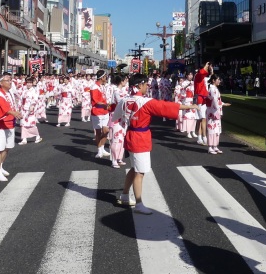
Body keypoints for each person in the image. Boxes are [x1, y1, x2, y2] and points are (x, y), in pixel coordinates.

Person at [117, 73, 199, 214]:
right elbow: (166, 106)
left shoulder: (124, 100)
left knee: (134, 168)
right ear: (140, 85)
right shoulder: (146, 102)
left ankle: (124, 195)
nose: (147, 87)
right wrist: (190, 106)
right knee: (140, 172)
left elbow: (115, 116)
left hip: (130, 135)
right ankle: (139, 204)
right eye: (145, 84)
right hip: (140, 138)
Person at [0, 72, 22, 181]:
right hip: (1, 125)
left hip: (10, 123)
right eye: (7, 80)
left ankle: (0, 167)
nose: (10, 82)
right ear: (1, 83)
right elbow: (4, 108)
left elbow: (13, 105)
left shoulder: (10, 93)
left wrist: (16, 112)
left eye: (10, 80)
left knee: (8, 147)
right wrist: (13, 113)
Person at [206, 74, 231, 154]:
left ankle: (215, 146)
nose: (219, 81)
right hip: (212, 112)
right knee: (211, 129)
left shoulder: (215, 88)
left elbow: (217, 100)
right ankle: (210, 147)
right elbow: (214, 101)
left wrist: (223, 104)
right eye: (218, 80)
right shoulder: (212, 89)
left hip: (215, 111)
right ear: (213, 80)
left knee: (217, 129)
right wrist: (220, 106)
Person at [90, 70, 111, 158]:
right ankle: (99, 150)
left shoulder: (103, 86)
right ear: (102, 77)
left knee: (106, 131)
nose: (106, 78)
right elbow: (96, 101)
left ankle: (102, 148)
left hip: (105, 111)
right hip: (97, 112)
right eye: (105, 76)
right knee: (98, 132)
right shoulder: (94, 87)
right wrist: (106, 104)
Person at [194, 62, 213, 145]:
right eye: (206, 68)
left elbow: (211, 78)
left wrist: (211, 70)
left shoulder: (203, 78)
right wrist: (206, 65)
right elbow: (202, 72)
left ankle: (201, 137)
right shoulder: (198, 75)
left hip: (203, 98)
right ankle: (203, 137)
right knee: (201, 119)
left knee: (202, 118)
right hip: (199, 98)